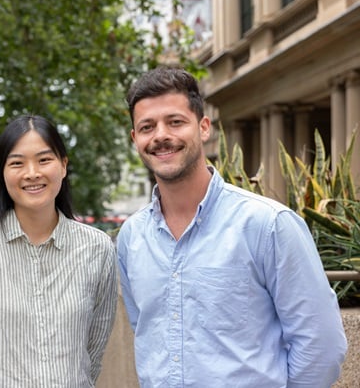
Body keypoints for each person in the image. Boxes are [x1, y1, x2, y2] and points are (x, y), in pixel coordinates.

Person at [117, 66, 348, 387]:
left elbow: (321, 345)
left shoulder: (268, 225)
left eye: (175, 122)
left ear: (204, 127)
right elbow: (145, 332)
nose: (160, 136)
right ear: (135, 138)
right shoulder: (131, 237)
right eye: (147, 126)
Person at [0, 114, 118, 387]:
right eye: (17, 163)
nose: (32, 173)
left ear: (63, 165)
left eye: (44, 160)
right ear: (2, 172)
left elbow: (93, 349)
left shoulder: (97, 248)